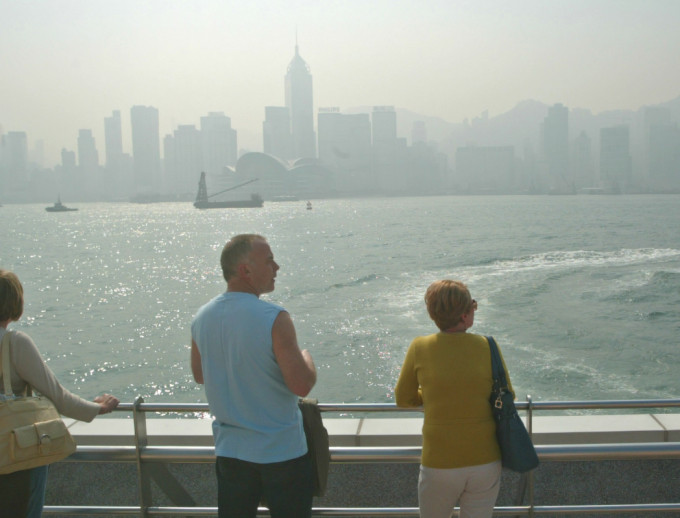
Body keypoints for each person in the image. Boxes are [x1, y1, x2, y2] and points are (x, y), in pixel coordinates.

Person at [190, 234, 317, 518]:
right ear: (245, 270)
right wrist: (307, 358)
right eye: (269, 260)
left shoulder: (202, 317)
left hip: (231, 453)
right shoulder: (273, 317)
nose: (277, 267)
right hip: (281, 454)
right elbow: (301, 384)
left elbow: (200, 375)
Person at [0, 269, 119, 518]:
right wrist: (97, 407)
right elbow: (57, 397)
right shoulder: (14, 343)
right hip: (13, 455)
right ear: (14, 302)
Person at [394, 279, 514, 518]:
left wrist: (432, 395)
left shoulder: (420, 347)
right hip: (485, 460)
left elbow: (403, 398)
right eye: (473, 307)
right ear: (464, 316)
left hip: (439, 462)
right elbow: (507, 393)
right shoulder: (487, 346)